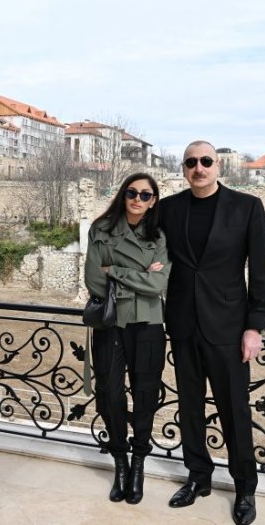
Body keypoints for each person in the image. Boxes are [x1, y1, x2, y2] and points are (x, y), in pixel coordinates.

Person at [158, 141, 265, 525]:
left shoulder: (247, 207)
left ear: (218, 165)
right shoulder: (170, 208)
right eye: (191, 163)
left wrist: (255, 326)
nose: (199, 168)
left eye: (205, 161)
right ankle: (198, 477)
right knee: (189, 406)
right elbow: (143, 242)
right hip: (184, 324)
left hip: (228, 326)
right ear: (184, 168)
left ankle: (245, 489)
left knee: (234, 411)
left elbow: (260, 272)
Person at [84, 172, 171, 505]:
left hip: (148, 324)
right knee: (109, 392)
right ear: (123, 195)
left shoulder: (160, 236)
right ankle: (119, 460)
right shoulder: (101, 230)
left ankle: (138, 463)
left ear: (153, 201)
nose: (138, 199)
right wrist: (140, 275)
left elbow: (158, 285)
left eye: (146, 195)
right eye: (132, 193)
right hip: (111, 324)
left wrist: (116, 271)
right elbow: (94, 280)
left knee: (145, 393)